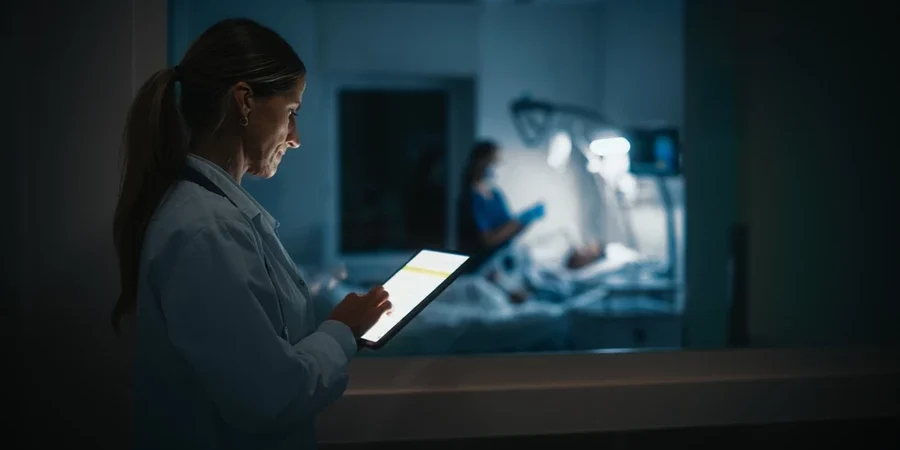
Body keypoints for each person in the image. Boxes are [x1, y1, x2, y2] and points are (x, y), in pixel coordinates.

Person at [111, 19, 392, 449]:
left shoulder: (208, 215)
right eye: (291, 113)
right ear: (244, 101)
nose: (295, 138)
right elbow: (268, 398)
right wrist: (341, 330)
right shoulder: (208, 230)